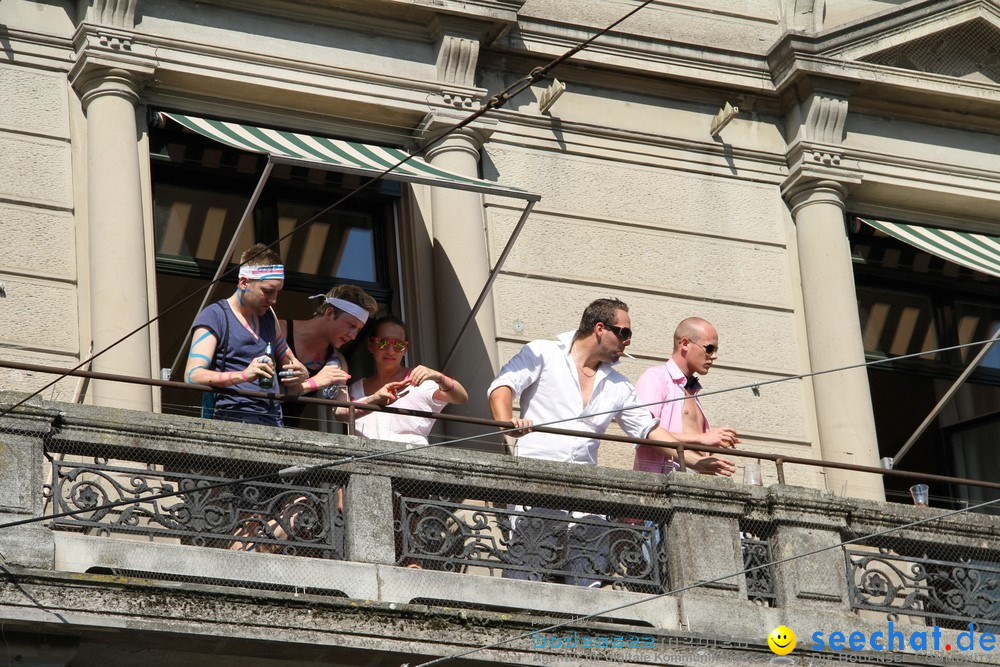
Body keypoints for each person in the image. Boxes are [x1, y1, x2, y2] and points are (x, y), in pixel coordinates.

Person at [487, 298, 735, 586]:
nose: (628, 342)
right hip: (537, 485)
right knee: (527, 577)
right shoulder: (543, 352)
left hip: (587, 497)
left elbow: (647, 429)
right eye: (625, 333)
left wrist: (694, 461)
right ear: (600, 329)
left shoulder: (618, 384)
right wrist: (507, 423)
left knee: (588, 581)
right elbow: (504, 385)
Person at [184, 244, 307, 427]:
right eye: (267, 291)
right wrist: (243, 375)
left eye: (277, 292)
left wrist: (301, 372)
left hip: (273, 420)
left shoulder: (268, 316)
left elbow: (290, 361)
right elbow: (192, 375)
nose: (273, 300)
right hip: (231, 421)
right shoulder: (215, 316)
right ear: (243, 282)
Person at [633, 317, 740, 475]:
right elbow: (643, 432)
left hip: (693, 485)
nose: (714, 356)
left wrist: (712, 443)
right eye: (709, 348)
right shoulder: (656, 377)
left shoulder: (690, 389)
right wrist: (702, 438)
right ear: (685, 344)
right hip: (662, 487)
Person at [345, 315, 469, 443]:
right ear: (370, 345)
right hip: (365, 459)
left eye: (398, 345)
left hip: (410, 458)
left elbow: (461, 397)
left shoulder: (420, 382)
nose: (391, 351)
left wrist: (439, 377)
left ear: (405, 349)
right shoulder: (357, 387)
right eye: (383, 342)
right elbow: (341, 416)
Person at [278, 285, 379, 427]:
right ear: (329, 313)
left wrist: (375, 400)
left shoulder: (337, 361)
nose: (354, 336)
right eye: (351, 325)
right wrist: (314, 383)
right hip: (252, 424)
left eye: (358, 329)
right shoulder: (279, 332)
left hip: (288, 434)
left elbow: (342, 412)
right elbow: (255, 390)